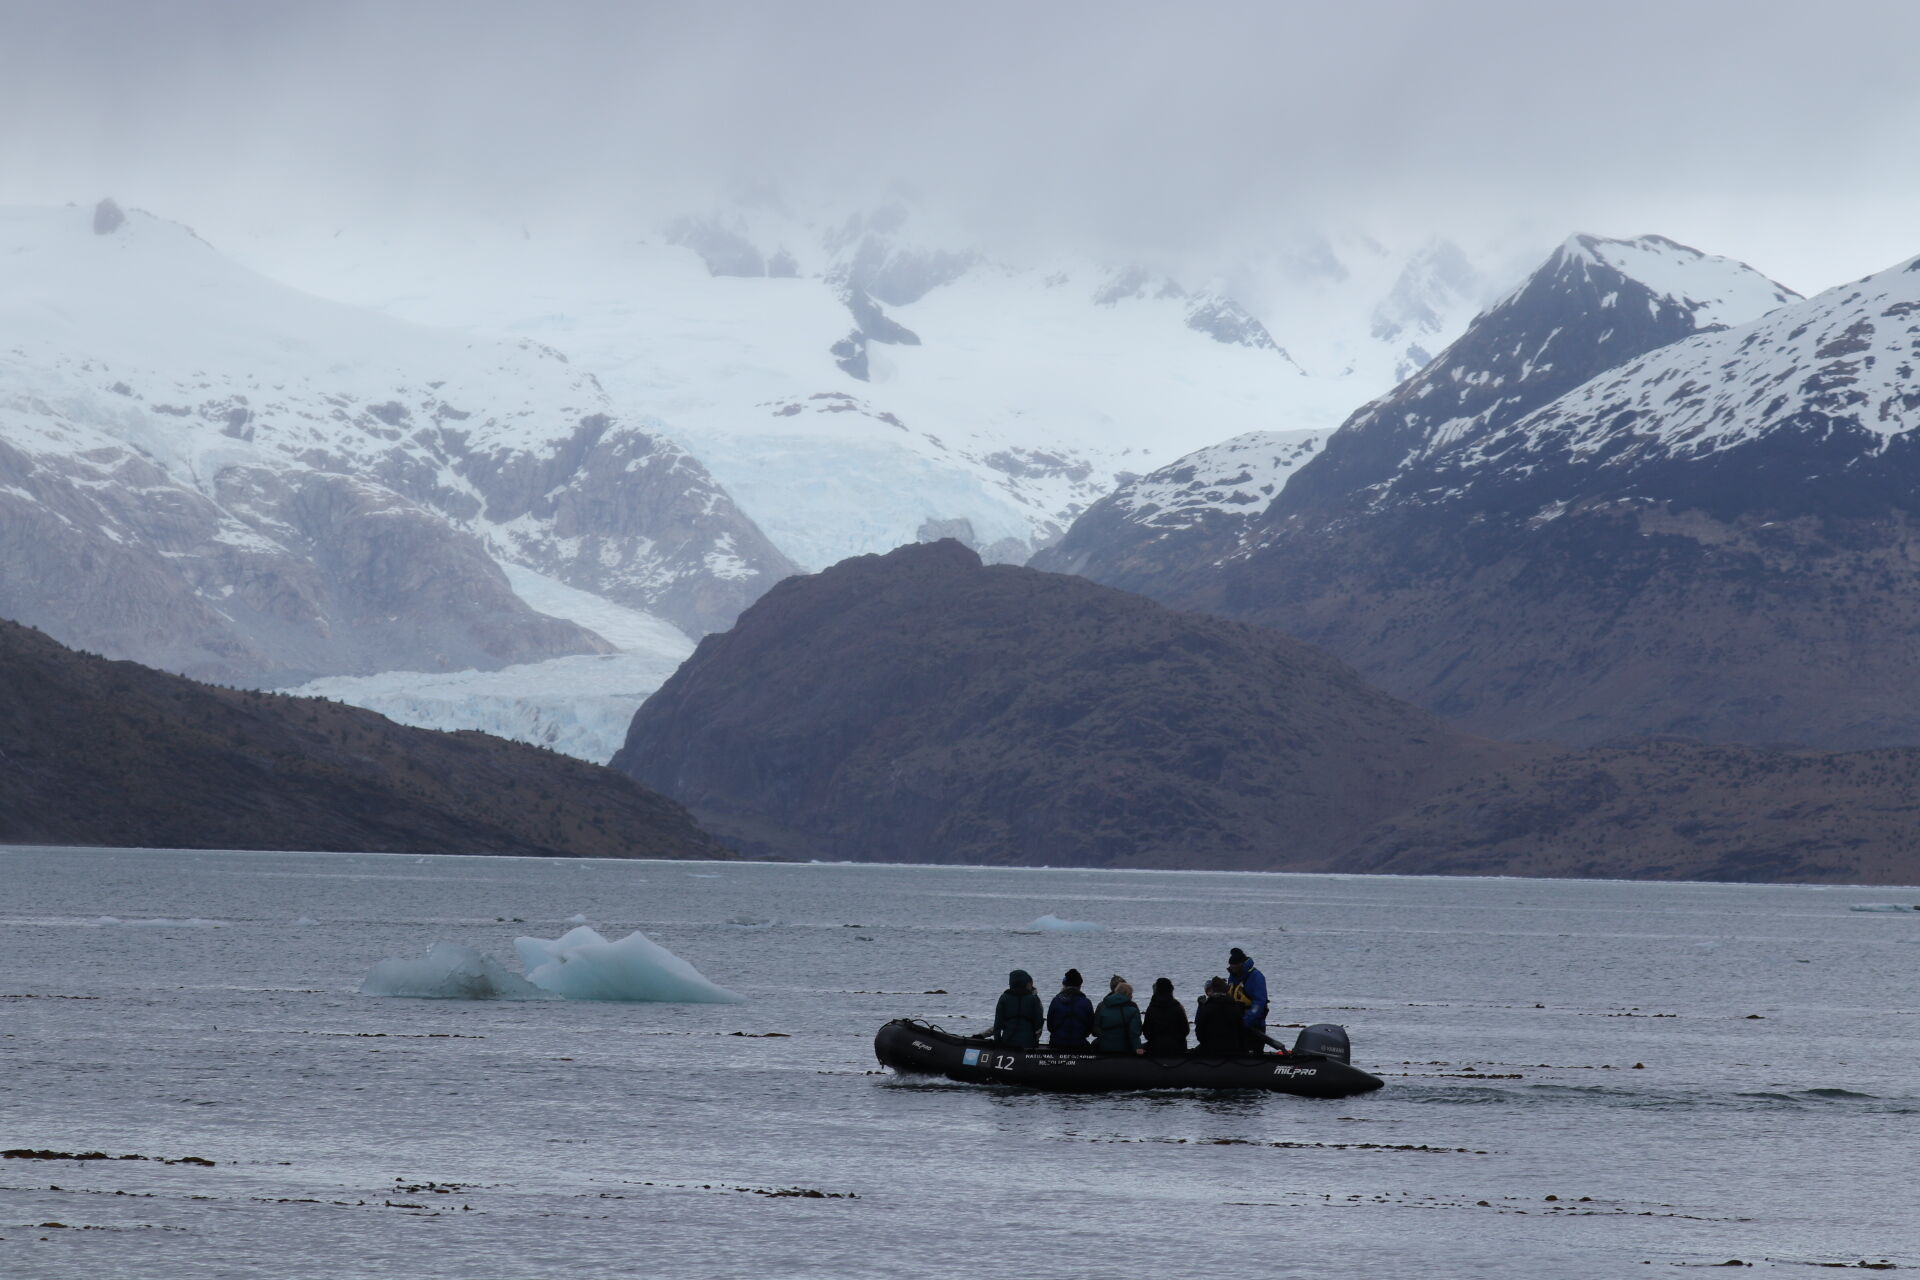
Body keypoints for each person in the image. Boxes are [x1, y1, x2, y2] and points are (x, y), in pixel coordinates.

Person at [1227, 946, 1270, 1054]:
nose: (1232, 970)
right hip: (1236, 1027)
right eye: (1231, 967)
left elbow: (1259, 1003)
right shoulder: (1232, 977)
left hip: (1254, 1026)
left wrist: (1246, 1021)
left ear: (1241, 965)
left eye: (1235, 967)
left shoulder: (1256, 977)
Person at [988, 969, 1043, 1048]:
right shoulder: (1033, 999)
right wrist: (1035, 1039)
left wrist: (998, 1041)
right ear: (1026, 983)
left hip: (1008, 1041)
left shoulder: (1004, 998)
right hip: (1027, 1042)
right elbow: (1039, 1022)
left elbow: (998, 1023)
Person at [1046, 968, 1096, 1048]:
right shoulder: (1086, 1002)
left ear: (1065, 985)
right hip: (1079, 1044)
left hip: (1057, 1044)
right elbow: (1090, 1027)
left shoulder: (1056, 1001)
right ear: (1079, 986)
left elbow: (1050, 1026)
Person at [1192, 975, 1243, 1055]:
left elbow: (1199, 1031)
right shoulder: (1235, 1007)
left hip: (1210, 1048)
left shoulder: (1206, 1008)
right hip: (1232, 1048)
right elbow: (1241, 1029)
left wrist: (1201, 1006)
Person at [1094, 979, 1144, 1055]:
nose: (1132, 996)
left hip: (1104, 1047)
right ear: (1127, 994)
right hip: (1125, 1049)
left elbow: (1095, 1028)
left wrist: (1104, 1037)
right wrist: (1138, 1048)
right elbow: (1135, 1033)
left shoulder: (1102, 1006)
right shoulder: (1133, 1010)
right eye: (1131, 994)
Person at [1141, 976, 1189, 1056]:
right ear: (1171, 990)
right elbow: (1185, 1030)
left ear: (1156, 991)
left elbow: (1146, 1032)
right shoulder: (1177, 1007)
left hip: (1155, 1047)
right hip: (1177, 1047)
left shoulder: (1151, 1008)